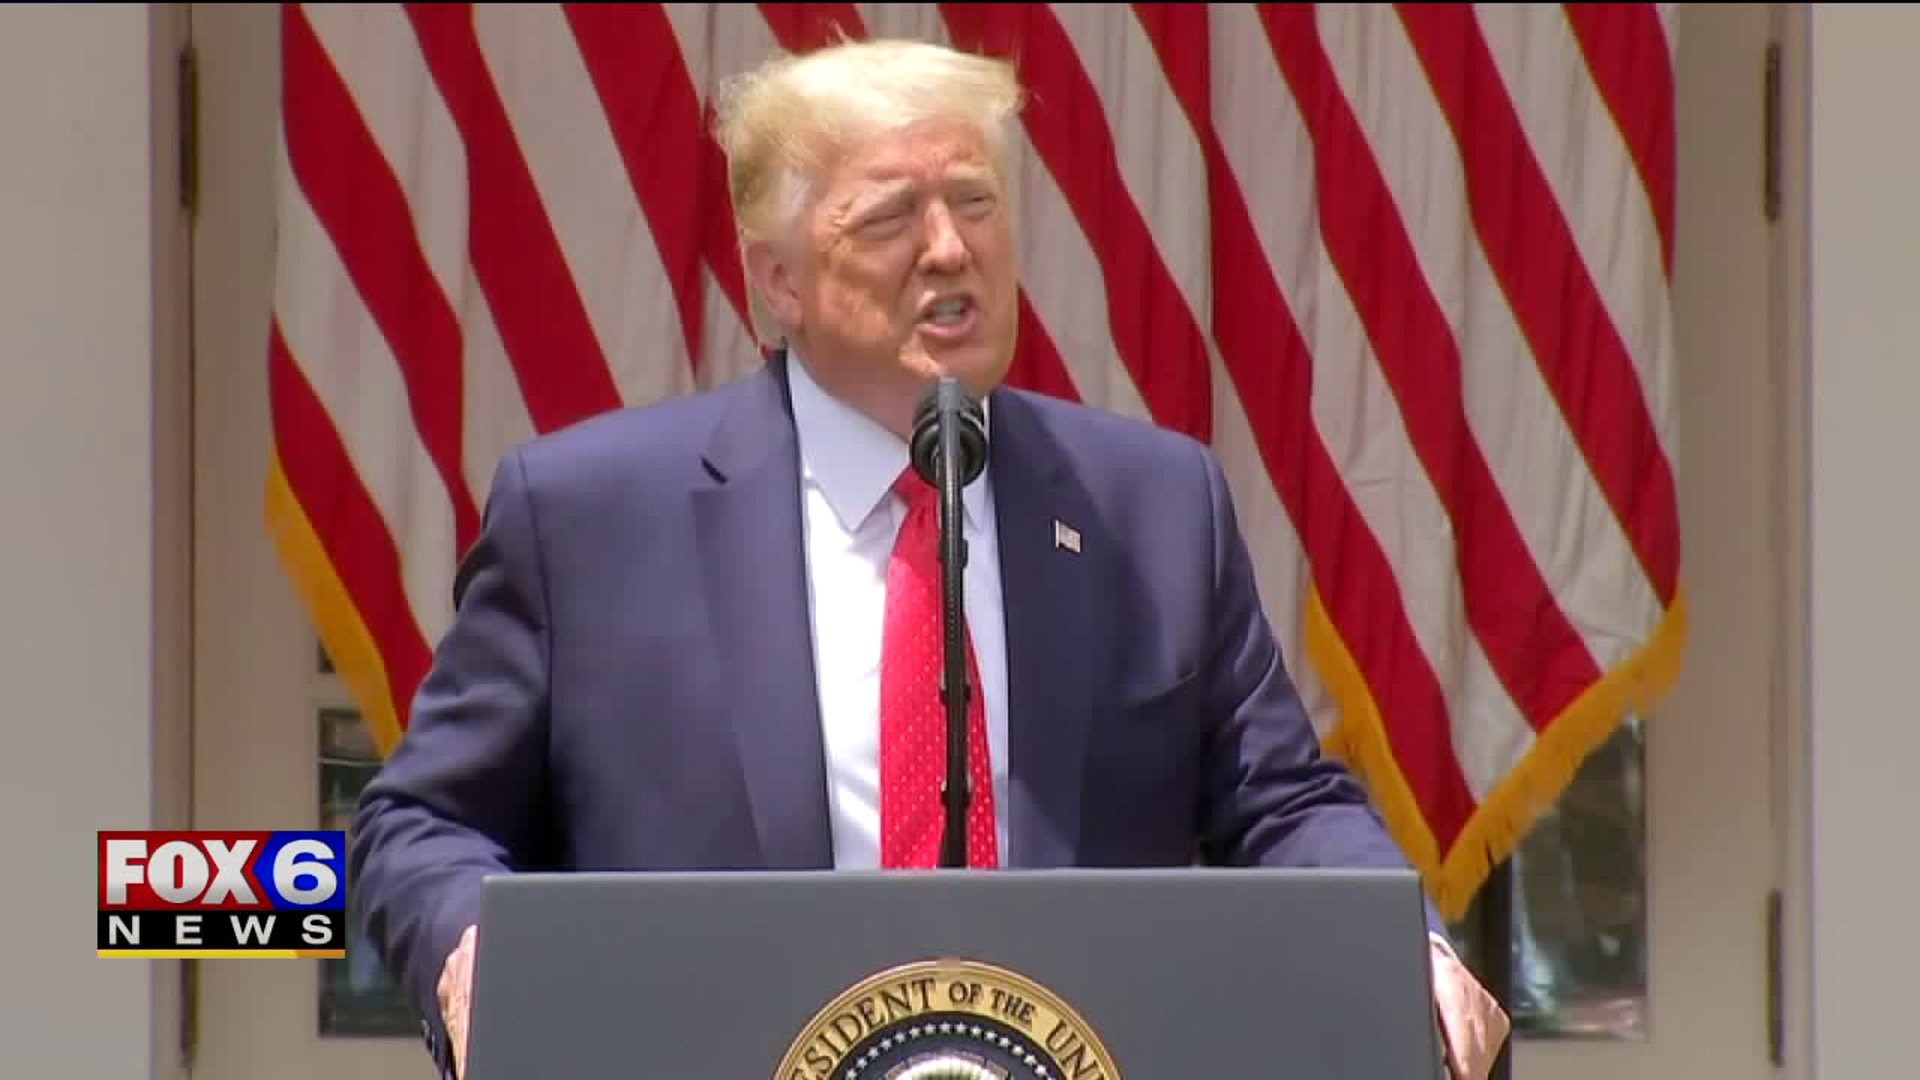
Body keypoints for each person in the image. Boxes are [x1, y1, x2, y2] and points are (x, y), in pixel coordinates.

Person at [347, 36, 1511, 1080]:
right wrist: (472, 951)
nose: (951, 249)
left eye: (976, 202)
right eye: (890, 218)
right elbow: (419, 821)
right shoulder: (590, 521)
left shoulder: (1151, 507)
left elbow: (1281, 804)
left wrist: (1398, 944)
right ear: (779, 281)